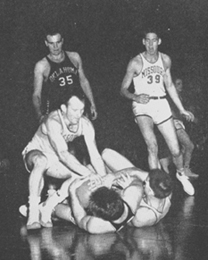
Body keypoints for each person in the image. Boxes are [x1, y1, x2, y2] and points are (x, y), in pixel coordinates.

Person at [120, 28, 195, 195]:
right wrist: (135, 96)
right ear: (143, 42)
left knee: (175, 149)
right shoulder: (136, 62)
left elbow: (169, 86)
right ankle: (155, 185)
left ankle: (181, 174)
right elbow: (123, 89)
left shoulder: (165, 60)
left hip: (161, 103)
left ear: (159, 41)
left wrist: (181, 109)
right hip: (142, 106)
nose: (151, 44)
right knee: (152, 145)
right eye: (148, 40)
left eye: (154, 40)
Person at [22, 90, 106, 230]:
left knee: (78, 175)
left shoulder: (85, 124)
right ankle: (33, 212)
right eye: (74, 110)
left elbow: (95, 155)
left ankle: (48, 206)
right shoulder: (53, 121)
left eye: (81, 110)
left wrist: (104, 181)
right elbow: (63, 154)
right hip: (36, 153)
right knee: (42, 161)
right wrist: (90, 174)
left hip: (55, 162)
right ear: (63, 108)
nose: (78, 115)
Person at [36, 148, 173, 233]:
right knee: (106, 155)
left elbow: (80, 219)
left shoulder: (142, 216)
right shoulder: (143, 189)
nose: (145, 181)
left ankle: (45, 207)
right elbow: (136, 173)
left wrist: (72, 192)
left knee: (72, 211)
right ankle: (90, 177)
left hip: (113, 218)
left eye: (147, 183)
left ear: (150, 192)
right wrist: (111, 177)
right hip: (121, 201)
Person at [33, 29, 97, 123]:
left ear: (62, 41)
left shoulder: (74, 57)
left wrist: (92, 104)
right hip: (57, 114)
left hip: (78, 109)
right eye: (51, 43)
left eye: (58, 42)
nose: (55, 47)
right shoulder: (42, 65)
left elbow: (83, 81)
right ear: (46, 43)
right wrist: (39, 116)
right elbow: (36, 94)